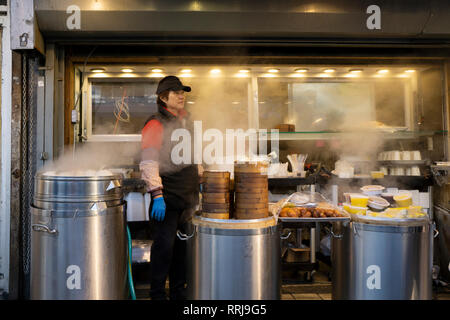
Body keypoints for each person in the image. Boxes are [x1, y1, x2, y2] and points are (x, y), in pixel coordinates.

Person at [140, 76, 200, 300]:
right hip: (167, 200)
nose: (181, 95)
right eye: (176, 92)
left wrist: (199, 181)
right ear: (163, 97)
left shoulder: (187, 122)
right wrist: (157, 195)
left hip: (188, 199)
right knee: (164, 249)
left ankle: (178, 293)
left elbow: (193, 156)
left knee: (182, 252)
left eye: (183, 92)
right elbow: (148, 160)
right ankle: (156, 295)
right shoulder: (156, 123)